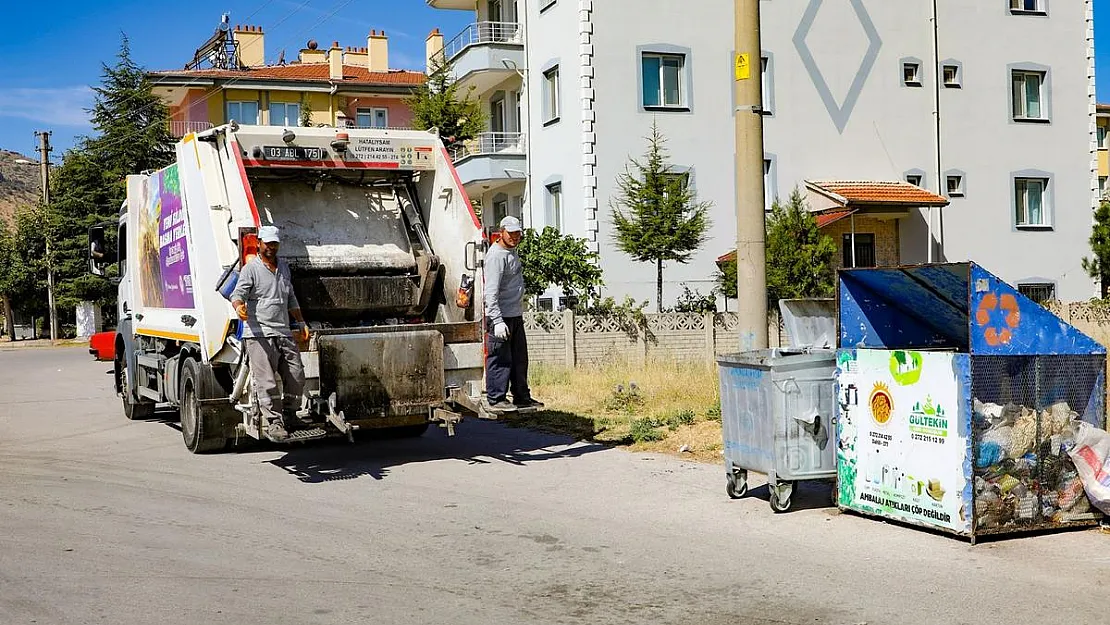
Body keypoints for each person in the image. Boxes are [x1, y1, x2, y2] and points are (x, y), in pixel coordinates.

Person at [230, 225, 310, 442]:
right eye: (267, 243)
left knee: (296, 374)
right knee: (267, 381)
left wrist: (301, 322)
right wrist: (238, 307)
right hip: (259, 333)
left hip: (282, 330)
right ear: (259, 243)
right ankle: (274, 422)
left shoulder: (283, 267)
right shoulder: (251, 268)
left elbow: (290, 297)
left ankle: (290, 414)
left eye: (274, 244)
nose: (271, 248)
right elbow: (237, 294)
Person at [483, 216, 543, 413]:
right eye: (511, 233)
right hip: (501, 317)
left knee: (519, 359)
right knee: (500, 358)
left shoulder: (511, 252)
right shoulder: (496, 256)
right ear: (501, 233)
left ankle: (521, 396)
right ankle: (496, 398)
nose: (515, 237)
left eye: (518, 233)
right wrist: (497, 320)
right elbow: (490, 292)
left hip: (514, 314)